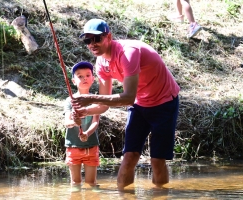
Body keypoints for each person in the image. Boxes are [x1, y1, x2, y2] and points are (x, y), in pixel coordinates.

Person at [71, 19, 180, 190]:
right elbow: (104, 105)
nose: (92, 44)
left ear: (109, 37)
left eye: (97, 39)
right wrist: (84, 111)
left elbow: (128, 97)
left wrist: (91, 98)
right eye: (87, 40)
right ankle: (123, 195)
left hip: (164, 102)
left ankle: (161, 194)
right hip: (140, 104)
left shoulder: (128, 52)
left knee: (157, 160)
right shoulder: (101, 63)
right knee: (129, 157)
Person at [63, 61, 100, 191]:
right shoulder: (70, 101)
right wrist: (75, 122)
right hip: (73, 146)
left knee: (91, 183)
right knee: (75, 183)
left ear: (93, 79)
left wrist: (87, 133)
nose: (84, 78)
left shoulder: (96, 99)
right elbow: (67, 122)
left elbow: (96, 122)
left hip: (91, 146)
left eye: (88, 75)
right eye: (80, 76)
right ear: (73, 81)